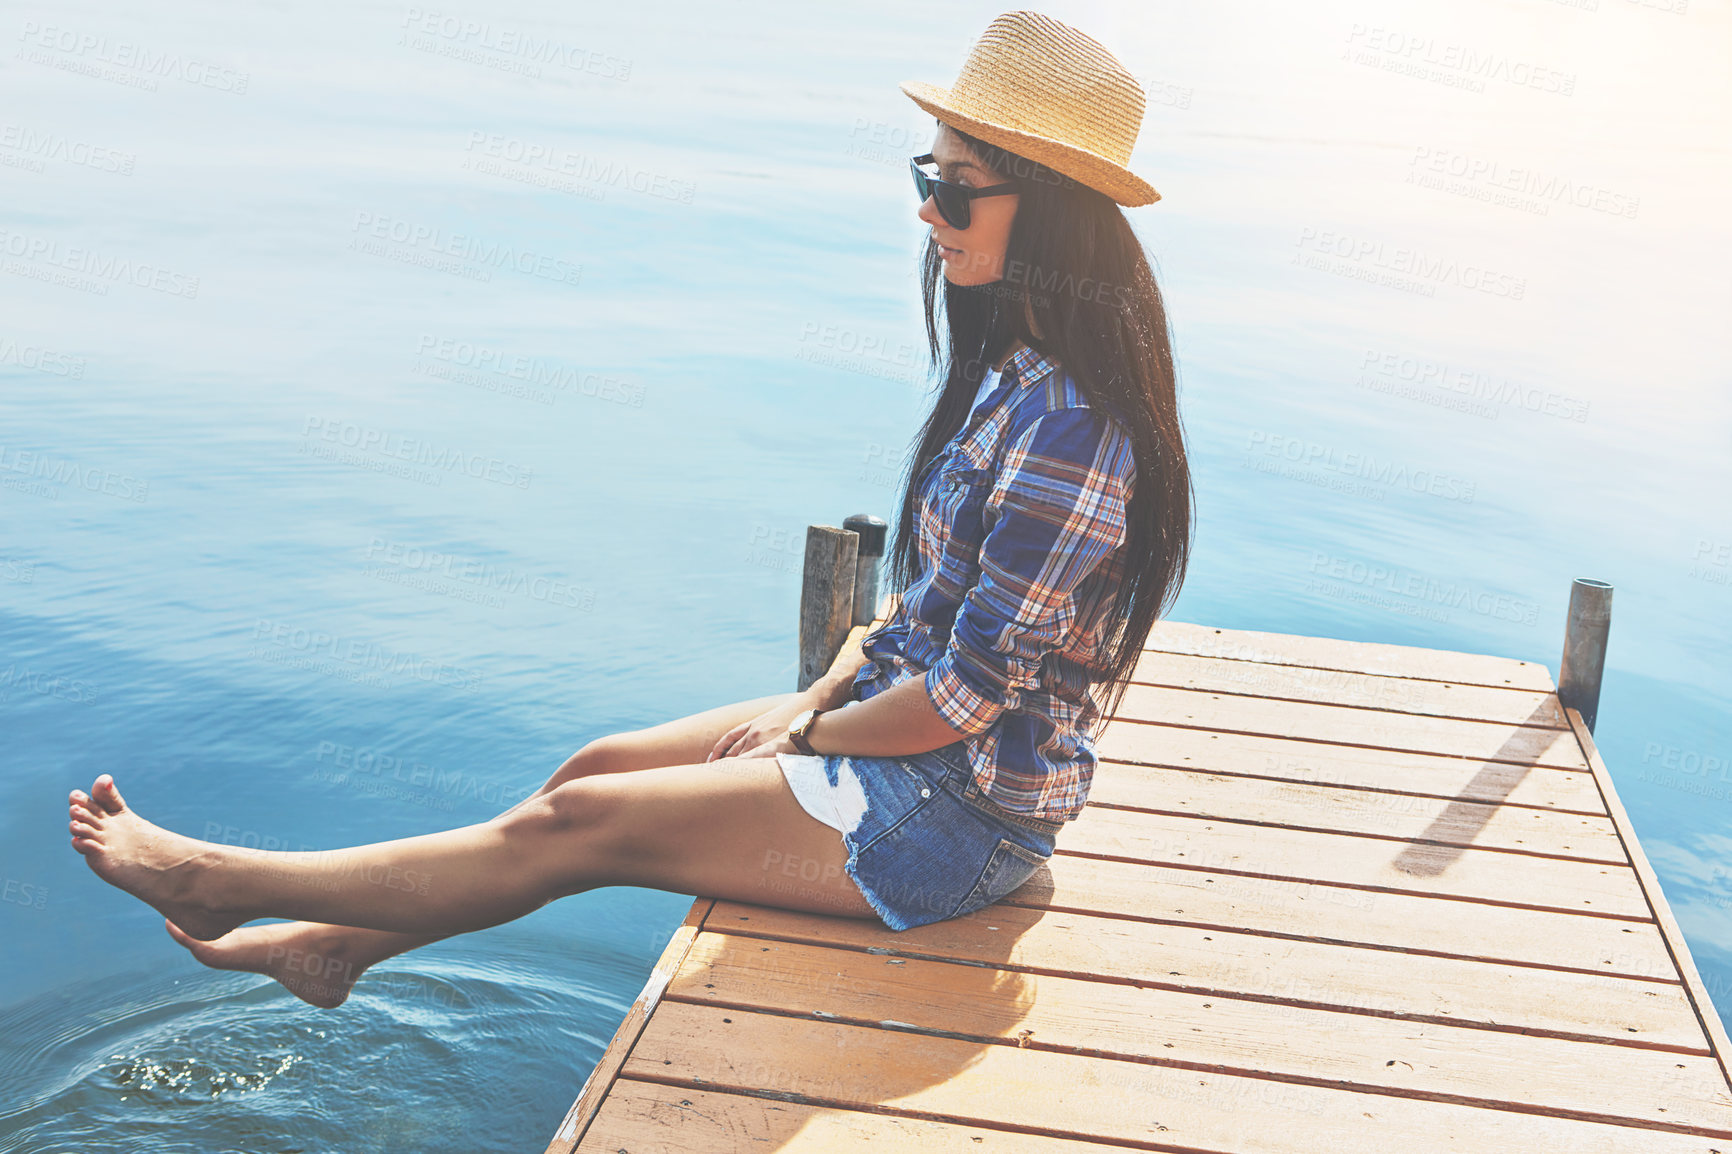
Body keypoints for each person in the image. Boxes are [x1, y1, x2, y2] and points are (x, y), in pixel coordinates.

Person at [66, 9, 1192, 1008]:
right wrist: (822, 689)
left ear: (1044, 210)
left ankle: (212, 877)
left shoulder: (1075, 430)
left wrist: (805, 733)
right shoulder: (1019, 375)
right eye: (924, 177)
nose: (927, 214)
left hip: (954, 823)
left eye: (953, 188)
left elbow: (963, 697)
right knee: (593, 769)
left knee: (579, 829)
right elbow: (925, 617)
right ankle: (339, 946)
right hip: (905, 743)